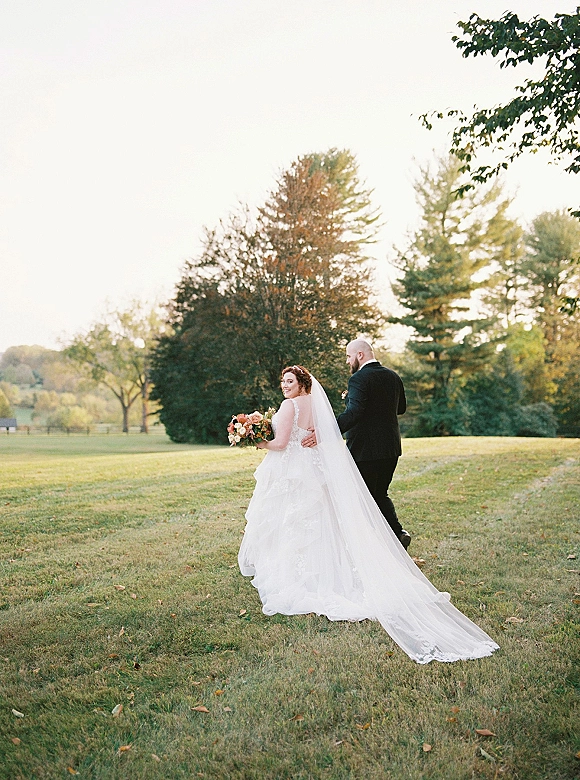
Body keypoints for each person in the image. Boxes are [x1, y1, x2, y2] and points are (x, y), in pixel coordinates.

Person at [238, 365, 499, 664]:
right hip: (315, 469)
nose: (285, 386)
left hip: (294, 473)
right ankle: (331, 567)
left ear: (301, 383)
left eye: (289, 381)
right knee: (322, 522)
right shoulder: (314, 403)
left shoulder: (289, 406)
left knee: (292, 522)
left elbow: (281, 443)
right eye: (282, 381)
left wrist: (255, 441)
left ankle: (301, 576)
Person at [338, 339, 410, 549]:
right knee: (379, 493)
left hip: (364, 449)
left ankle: (369, 545)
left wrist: (328, 429)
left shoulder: (359, 379)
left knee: (362, 496)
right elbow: (401, 408)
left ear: (360, 355)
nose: (347, 361)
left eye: (348, 357)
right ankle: (397, 534)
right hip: (390, 448)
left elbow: (354, 413)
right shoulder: (393, 376)